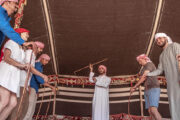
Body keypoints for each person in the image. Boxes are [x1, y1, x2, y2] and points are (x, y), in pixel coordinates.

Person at [0, 27, 47, 120]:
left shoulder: (22, 49)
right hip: (6, 74)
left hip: (14, 77)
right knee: (4, 101)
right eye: (26, 33)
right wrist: (22, 65)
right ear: (19, 34)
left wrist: (25, 65)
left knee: (13, 103)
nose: (28, 35)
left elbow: (25, 65)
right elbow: (6, 58)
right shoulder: (11, 42)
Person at [147, 33, 180, 120]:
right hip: (171, 85)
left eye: (160, 38)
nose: (158, 41)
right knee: (174, 104)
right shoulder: (161, 56)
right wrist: (148, 74)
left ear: (166, 38)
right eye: (157, 40)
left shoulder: (174, 46)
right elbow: (159, 70)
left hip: (179, 80)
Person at [23, 54, 56, 120]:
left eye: (47, 61)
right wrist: (51, 87)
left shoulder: (40, 66)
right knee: (30, 106)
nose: (47, 63)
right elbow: (39, 79)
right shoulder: (37, 65)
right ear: (42, 59)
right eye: (46, 60)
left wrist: (37, 91)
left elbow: (37, 80)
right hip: (31, 87)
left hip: (34, 88)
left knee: (32, 107)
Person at [130, 54, 161, 120]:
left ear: (144, 58)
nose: (139, 62)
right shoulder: (143, 68)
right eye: (138, 61)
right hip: (147, 89)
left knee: (153, 110)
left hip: (153, 88)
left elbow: (144, 77)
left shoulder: (149, 64)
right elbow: (142, 78)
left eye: (140, 60)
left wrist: (135, 87)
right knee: (150, 111)